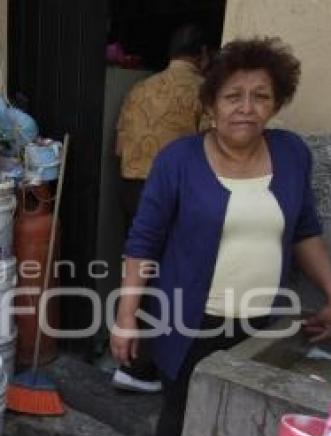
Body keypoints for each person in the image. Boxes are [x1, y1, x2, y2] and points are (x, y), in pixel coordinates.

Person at [111, 37, 331, 436]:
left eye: (261, 97)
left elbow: (304, 229)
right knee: (179, 416)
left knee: (241, 420)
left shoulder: (291, 153)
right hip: (188, 321)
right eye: (233, 96)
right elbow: (143, 242)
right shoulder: (177, 161)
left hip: (259, 323)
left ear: (275, 105)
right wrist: (126, 317)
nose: (246, 107)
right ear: (211, 103)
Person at [111, 24, 209, 393]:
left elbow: (120, 148)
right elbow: (210, 154)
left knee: (138, 273)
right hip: (175, 194)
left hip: (131, 189)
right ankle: (144, 366)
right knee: (167, 280)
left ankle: (129, 360)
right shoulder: (205, 92)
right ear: (202, 55)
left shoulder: (139, 89)